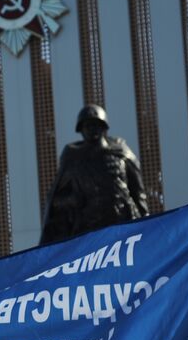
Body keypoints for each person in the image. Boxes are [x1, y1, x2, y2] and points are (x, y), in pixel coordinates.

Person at [40, 104, 149, 245]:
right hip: (88, 228)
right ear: (81, 130)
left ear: (104, 127)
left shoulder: (121, 153)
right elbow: (56, 201)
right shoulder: (72, 157)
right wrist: (72, 200)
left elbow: (138, 192)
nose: (92, 129)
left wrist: (146, 225)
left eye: (96, 125)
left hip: (121, 223)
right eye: (88, 126)